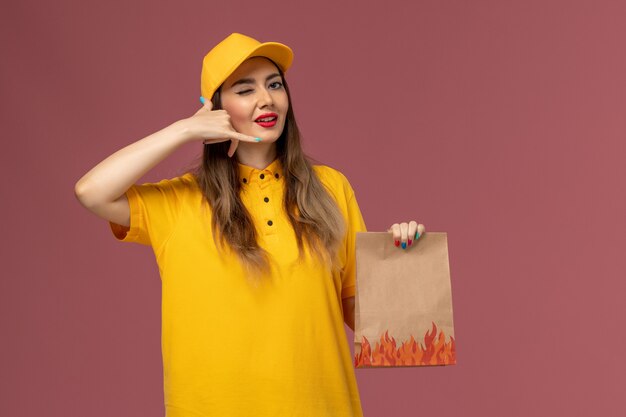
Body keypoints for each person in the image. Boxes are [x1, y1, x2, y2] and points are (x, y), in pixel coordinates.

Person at [74, 32, 426, 417]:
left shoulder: (331, 188)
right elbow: (92, 191)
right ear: (215, 108)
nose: (267, 99)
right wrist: (183, 130)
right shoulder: (179, 201)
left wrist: (403, 264)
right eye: (245, 89)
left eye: (275, 85)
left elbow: (374, 324)